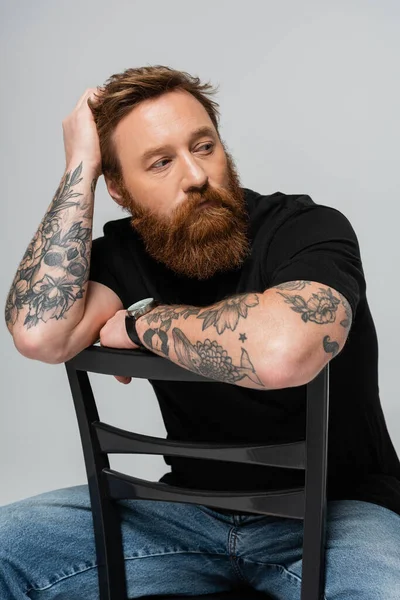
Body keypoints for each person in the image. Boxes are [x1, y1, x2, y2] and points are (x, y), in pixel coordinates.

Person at [4, 65, 400, 599]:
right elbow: (38, 333)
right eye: (161, 162)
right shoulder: (124, 254)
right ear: (118, 189)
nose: (194, 175)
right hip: (184, 513)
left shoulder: (306, 228)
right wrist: (81, 165)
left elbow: (283, 352)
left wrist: (140, 323)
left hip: (339, 512)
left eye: (204, 146)